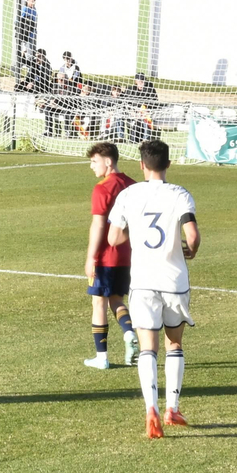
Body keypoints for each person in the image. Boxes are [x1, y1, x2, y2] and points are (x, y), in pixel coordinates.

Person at [107, 139, 199, 439]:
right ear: (168, 164)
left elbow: (114, 238)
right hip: (174, 281)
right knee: (174, 344)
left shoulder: (128, 194)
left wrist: (136, 232)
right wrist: (192, 250)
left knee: (148, 348)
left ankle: (151, 409)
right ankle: (172, 407)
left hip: (143, 281)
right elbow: (192, 236)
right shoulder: (180, 194)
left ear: (142, 165)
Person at [83, 142, 138, 370]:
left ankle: (102, 357)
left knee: (99, 303)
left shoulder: (102, 188)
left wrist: (90, 257)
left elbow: (98, 226)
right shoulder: (133, 185)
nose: (91, 166)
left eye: (94, 161)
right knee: (117, 299)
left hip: (106, 256)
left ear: (108, 161)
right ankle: (129, 332)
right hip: (128, 255)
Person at [16, 0, 38, 69]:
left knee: (30, 51)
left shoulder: (34, 10)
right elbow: (18, 20)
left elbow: (35, 22)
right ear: (27, 1)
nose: (34, 2)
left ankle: (23, 64)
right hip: (26, 34)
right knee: (28, 52)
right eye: (32, 1)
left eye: (34, 1)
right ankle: (26, 67)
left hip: (32, 33)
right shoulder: (25, 9)